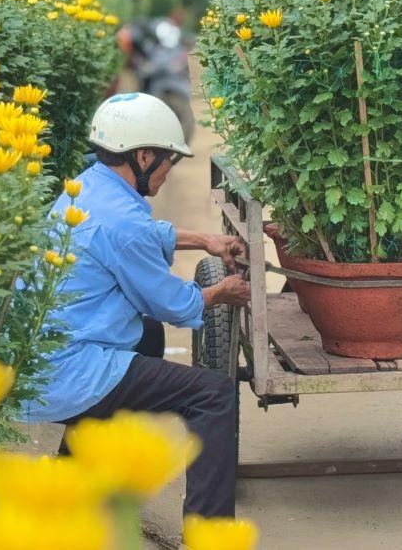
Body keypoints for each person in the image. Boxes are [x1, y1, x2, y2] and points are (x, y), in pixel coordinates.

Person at [29, 92, 252, 517]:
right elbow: (172, 301)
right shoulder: (124, 222)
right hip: (70, 368)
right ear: (145, 156)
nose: (170, 172)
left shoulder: (91, 185)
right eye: (170, 160)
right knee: (213, 394)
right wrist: (222, 292)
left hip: (50, 349)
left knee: (147, 336)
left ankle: (75, 478)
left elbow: (141, 234)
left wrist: (204, 239)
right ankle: (210, 534)